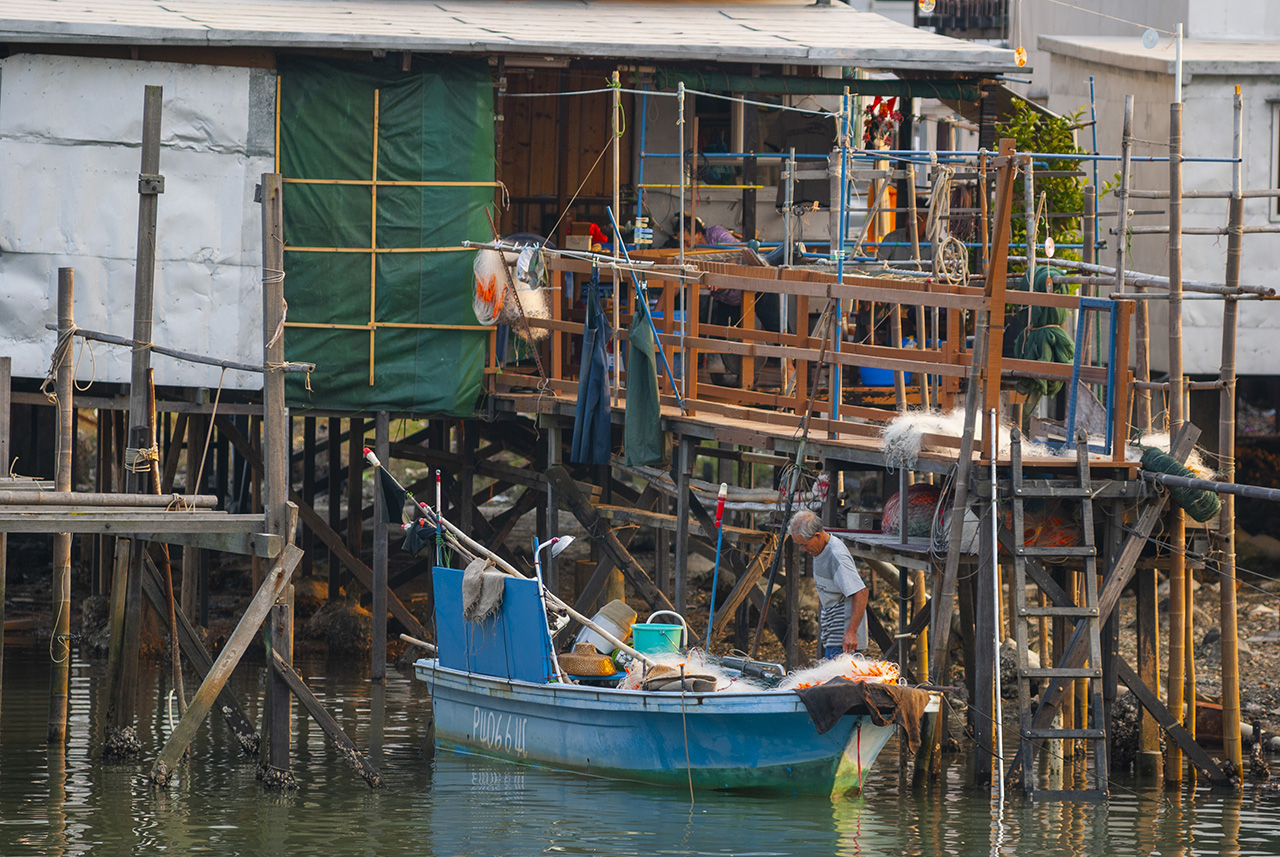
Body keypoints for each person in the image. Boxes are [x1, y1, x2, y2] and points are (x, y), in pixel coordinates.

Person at [788, 509, 868, 659]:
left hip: (843, 639)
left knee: (838, 681)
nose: (804, 550)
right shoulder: (820, 550)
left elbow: (861, 592)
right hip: (832, 632)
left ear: (817, 536)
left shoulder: (836, 556)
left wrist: (851, 632)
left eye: (805, 545)